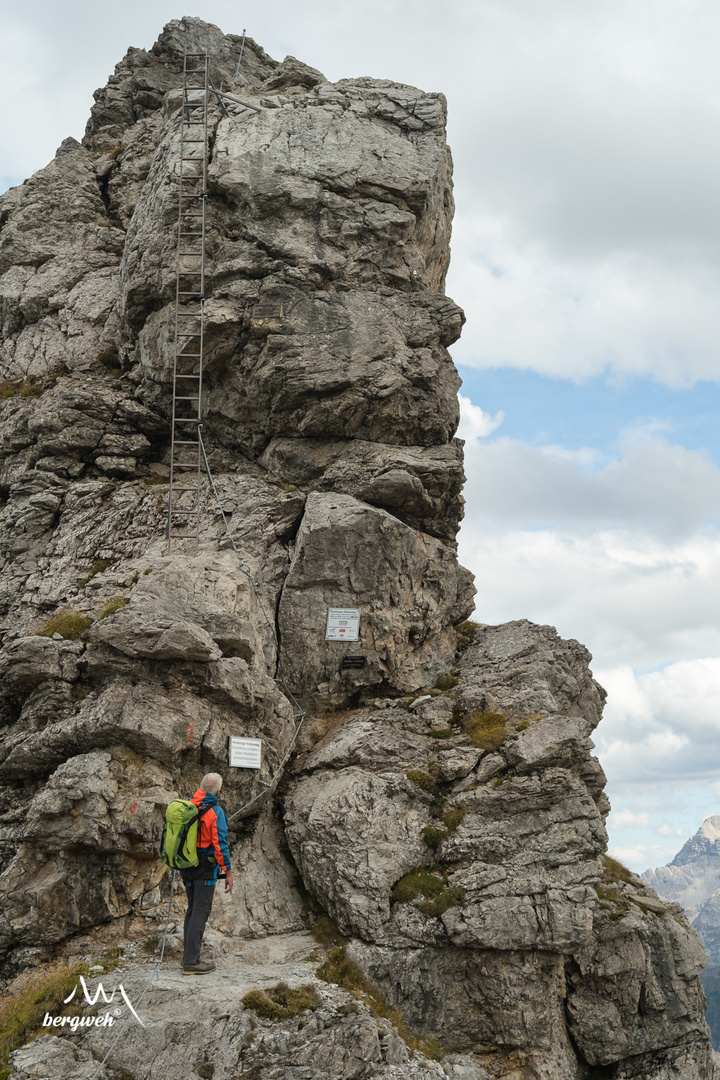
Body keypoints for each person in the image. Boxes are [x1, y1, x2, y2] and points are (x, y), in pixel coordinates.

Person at [180, 772, 233, 974]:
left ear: (201, 787)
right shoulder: (216, 811)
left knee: (192, 910)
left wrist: (180, 866)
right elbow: (220, 844)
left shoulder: (188, 807)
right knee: (200, 912)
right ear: (218, 791)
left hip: (186, 866)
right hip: (204, 870)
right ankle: (191, 961)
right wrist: (227, 870)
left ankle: (188, 957)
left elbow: (181, 840)